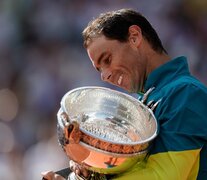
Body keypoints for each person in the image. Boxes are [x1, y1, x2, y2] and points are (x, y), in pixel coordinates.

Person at [42, 8, 207, 180]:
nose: (104, 76)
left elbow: (164, 175)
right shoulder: (144, 103)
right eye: (99, 69)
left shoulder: (186, 93)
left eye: (107, 60)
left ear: (134, 37)